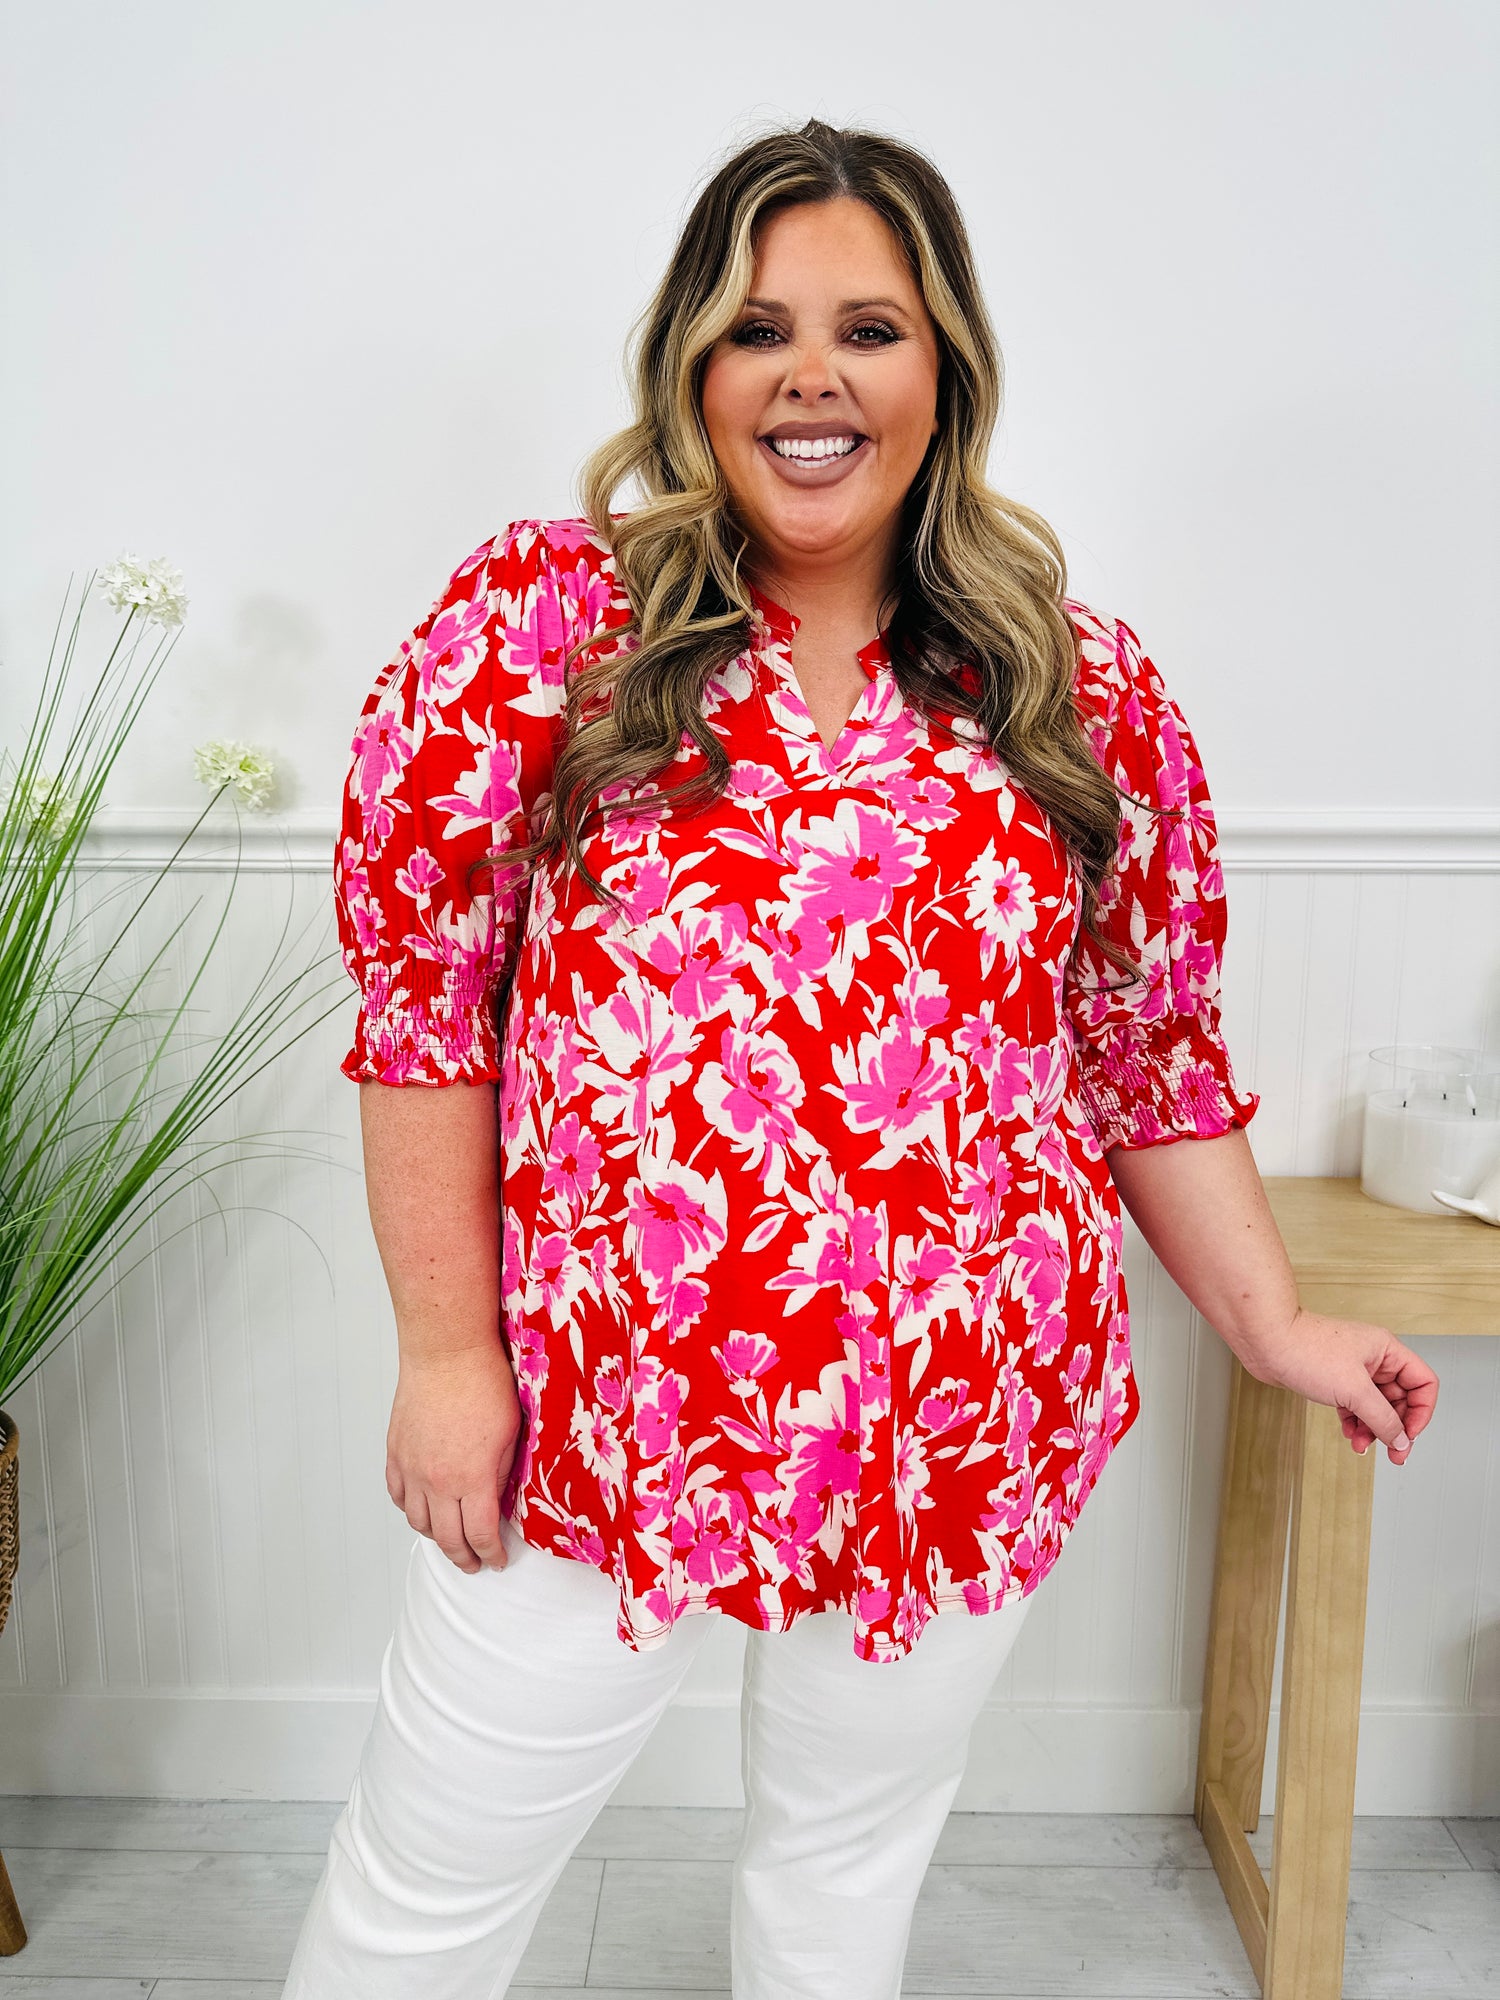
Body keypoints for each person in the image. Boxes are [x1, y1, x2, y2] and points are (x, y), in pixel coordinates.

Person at [280, 117, 1439, 2000]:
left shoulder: (1071, 681)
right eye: (759, 329)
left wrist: (1274, 1325)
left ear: (946, 370)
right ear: (692, 368)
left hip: (959, 1424)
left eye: (869, 329)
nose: (810, 375)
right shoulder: (545, 628)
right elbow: (427, 1011)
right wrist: (444, 1358)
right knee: (427, 1889)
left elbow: (1146, 1050)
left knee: (841, 1886)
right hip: (599, 1414)